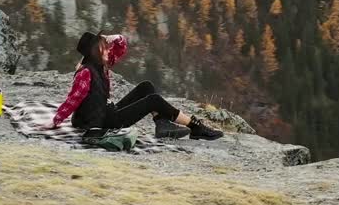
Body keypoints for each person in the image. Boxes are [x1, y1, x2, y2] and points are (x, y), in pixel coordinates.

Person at [48, 31, 223, 141]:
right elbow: (74, 99)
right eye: (104, 47)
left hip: (106, 113)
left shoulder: (101, 65)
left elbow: (121, 47)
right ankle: (195, 127)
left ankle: (162, 124)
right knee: (153, 100)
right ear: (96, 52)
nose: (108, 49)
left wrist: (115, 38)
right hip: (99, 123)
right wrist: (56, 121)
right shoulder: (86, 72)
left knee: (146, 87)